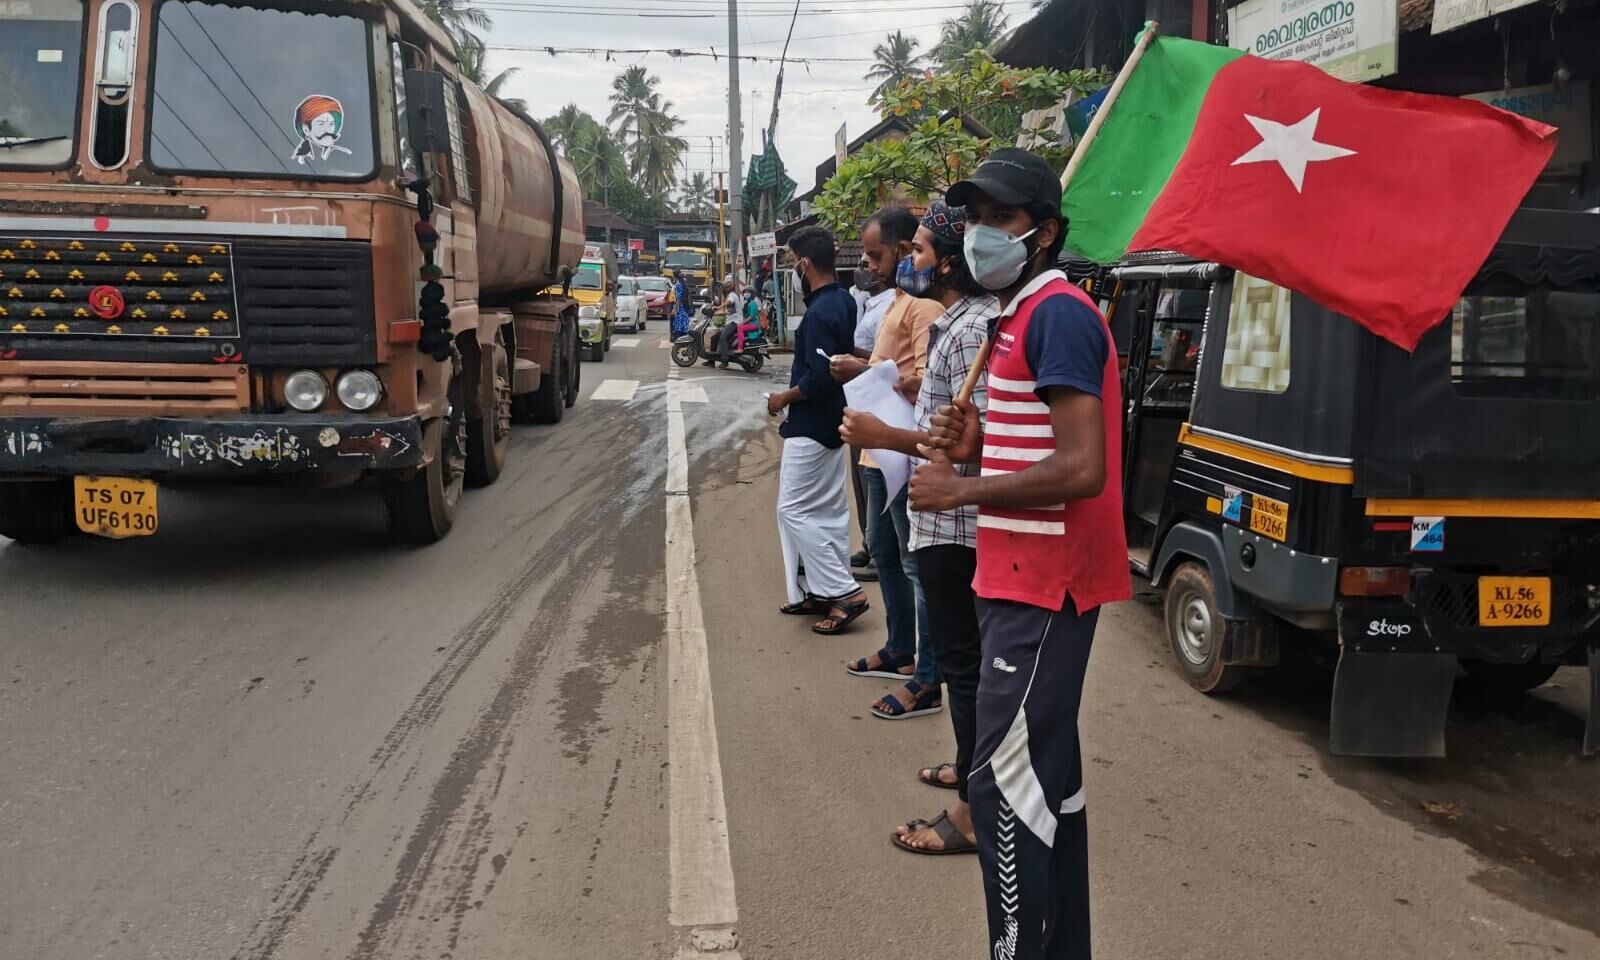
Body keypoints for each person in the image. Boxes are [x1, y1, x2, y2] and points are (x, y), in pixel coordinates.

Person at [910, 148, 1131, 960]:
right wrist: (977, 445)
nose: (980, 234)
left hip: (1044, 588)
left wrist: (960, 490)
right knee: (1048, 788)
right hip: (1014, 580)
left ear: (1045, 234)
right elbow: (1034, 447)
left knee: (1003, 793)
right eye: (973, 218)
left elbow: (1083, 467)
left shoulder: (1056, 314)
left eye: (1000, 218)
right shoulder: (1015, 316)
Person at [839, 200, 997, 856]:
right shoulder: (958, 323)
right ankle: (970, 767)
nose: (911, 260)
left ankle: (975, 809)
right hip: (940, 517)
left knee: (965, 665)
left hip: (958, 522)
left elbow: (970, 444)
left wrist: (883, 433)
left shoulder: (972, 328)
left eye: (922, 249)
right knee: (962, 663)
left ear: (952, 262)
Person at [832, 207, 946, 720]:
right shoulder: (895, 302)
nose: (868, 264)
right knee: (883, 550)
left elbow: (924, 381)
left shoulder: (924, 308)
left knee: (912, 560)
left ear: (904, 251)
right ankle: (900, 647)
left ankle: (928, 673)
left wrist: (864, 371)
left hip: (900, 449)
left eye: (876, 255)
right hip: (877, 450)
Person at [768, 226, 871, 635]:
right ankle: (816, 588)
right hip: (833, 421)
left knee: (792, 509)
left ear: (805, 263)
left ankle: (844, 592)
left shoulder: (819, 313)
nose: (793, 268)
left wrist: (783, 397)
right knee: (826, 510)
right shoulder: (844, 301)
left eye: (793, 261)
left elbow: (818, 377)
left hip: (810, 425)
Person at [848, 253, 895, 580]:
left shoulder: (890, 305)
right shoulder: (864, 301)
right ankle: (869, 542)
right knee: (861, 480)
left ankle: (881, 552)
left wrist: (854, 358)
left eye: (867, 264)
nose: (862, 270)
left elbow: (885, 361)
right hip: (859, 399)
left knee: (877, 480)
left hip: (880, 404)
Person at [670, 271, 693, 336]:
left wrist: (674, 309)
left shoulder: (678, 284)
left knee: (679, 325)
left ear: (674, 276)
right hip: (685, 306)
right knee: (684, 324)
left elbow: (679, 298)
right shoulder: (683, 283)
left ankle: (679, 338)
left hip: (681, 306)